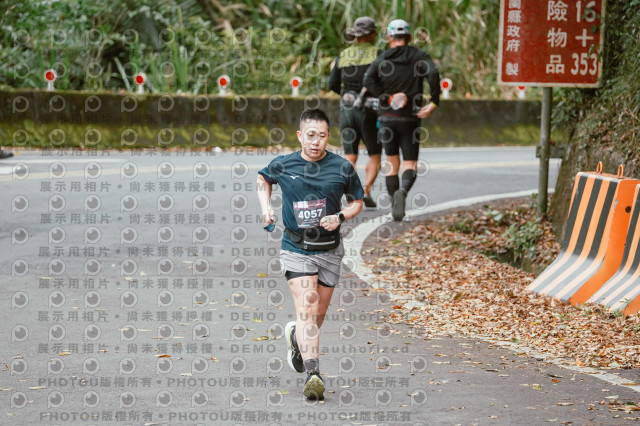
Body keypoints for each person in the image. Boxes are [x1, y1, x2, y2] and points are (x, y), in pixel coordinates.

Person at [256, 108, 364, 400]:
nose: (316, 141)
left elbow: (357, 202)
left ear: (329, 137)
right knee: (307, 306)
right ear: (300, 136)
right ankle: (313, 374)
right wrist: (266, 208)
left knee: (316, 316)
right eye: (310, 135)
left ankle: (296, 337)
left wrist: (340, 217)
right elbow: (262, 179)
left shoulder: (341, 167)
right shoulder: (284, 164)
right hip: (296, 248)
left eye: (322, 136)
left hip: (329, 250)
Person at [364, 19, 440, 221]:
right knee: (410, 162)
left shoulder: (382, 58)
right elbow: (433, 73)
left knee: (391, 162)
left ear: (389, 37)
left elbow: (368, 80)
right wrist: (434, 102)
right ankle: (403, 192)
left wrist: (387, 98)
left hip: (387, 118)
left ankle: (394, 206)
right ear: (409, 37)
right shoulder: (419, 56)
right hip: (410, 118)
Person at [327, 16, 381, 208]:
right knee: (375, 153)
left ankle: (352, 193)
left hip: (347, 109)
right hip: (369, 110)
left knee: (350, 155)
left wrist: (346, 95)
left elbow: (332, 84)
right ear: (372, 34)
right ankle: (366, 190)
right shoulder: (379, 54)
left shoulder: (343, 55)